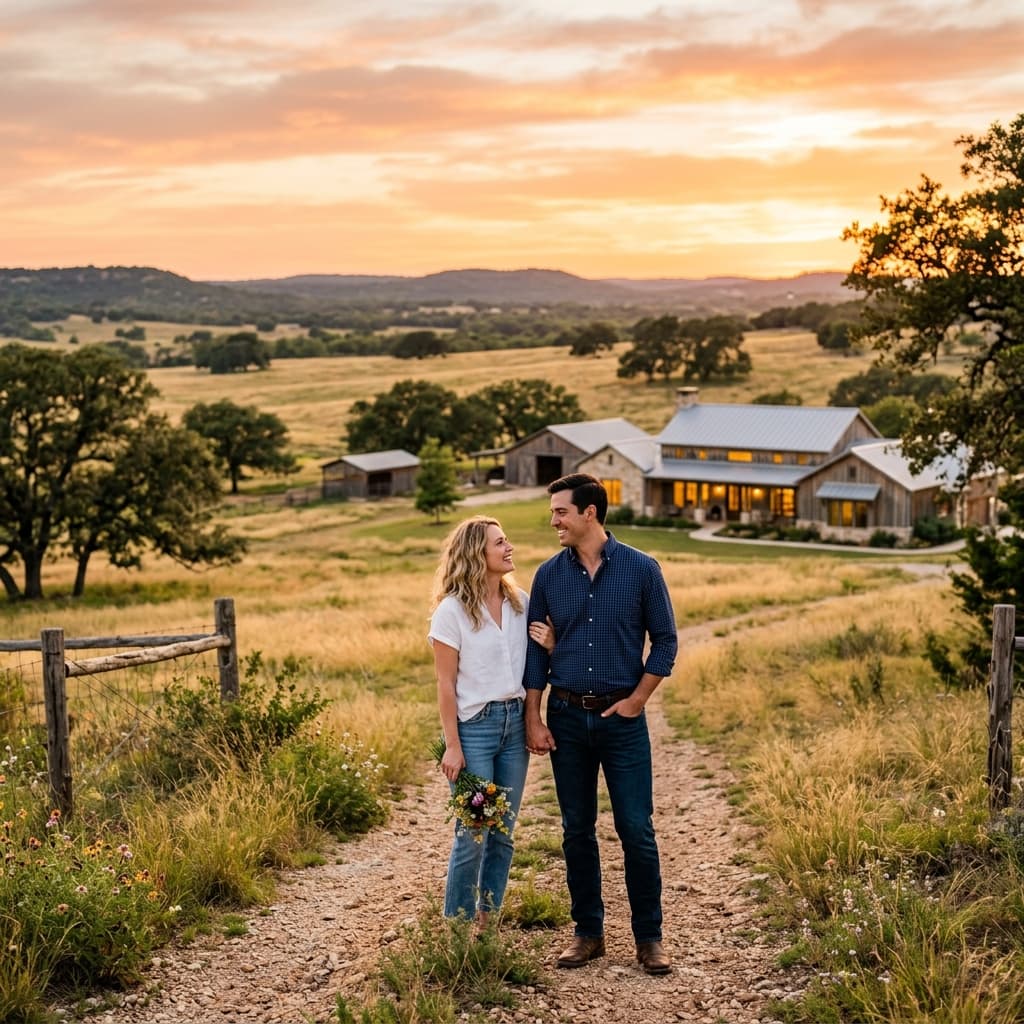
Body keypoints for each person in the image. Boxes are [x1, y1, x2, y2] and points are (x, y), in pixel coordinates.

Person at [523, 473, 678, 975]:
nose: (553, 521)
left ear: (590, 513)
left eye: (560, 512)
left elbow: (667, 641)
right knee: (575, 829)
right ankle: (588, 933)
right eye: (552, 513)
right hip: (567, 718)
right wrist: (534, 714)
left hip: (622, 721)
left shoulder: (641, 569)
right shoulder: (548, 576)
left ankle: (649, 939)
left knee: (636, 829)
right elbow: (534, 653)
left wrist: (637, 700)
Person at [429, 515, 552, 930]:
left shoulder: (523, 603)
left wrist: (552, 645)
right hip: (475, 729)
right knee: (473, 832)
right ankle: (458, 928)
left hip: (514, 727)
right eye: (499, 543)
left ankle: (488, 920)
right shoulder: (452, 612)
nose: (509, 548)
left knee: (504, 832)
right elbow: (445, 683)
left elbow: (538, 661)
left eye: (507, 540)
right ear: (475, 555)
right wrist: (453, 744)